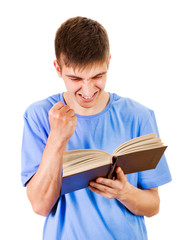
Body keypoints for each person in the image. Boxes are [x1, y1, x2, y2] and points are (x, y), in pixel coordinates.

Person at [21, 16, 172, 240]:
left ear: (108, 62)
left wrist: (124, 192)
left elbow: (153, 206)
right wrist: (57, 139)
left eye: (98, 76)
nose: (88, 89)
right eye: (75, 78)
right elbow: (40, 206)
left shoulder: (139, 116)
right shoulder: (39, 116)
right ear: (58, 68)